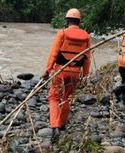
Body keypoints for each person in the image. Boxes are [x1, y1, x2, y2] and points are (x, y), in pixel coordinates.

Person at [41, 8, 91, 141]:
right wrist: (85, 75)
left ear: (67, 20)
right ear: (79, 21)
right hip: (75, 73)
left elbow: (54, 53)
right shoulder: (86, 36)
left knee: (54, 98)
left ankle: (55, 126)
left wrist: (47, 70)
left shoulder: (62, 33)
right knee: (67, 97)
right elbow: (87, 58)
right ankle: (62, 125)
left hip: (60, 71)